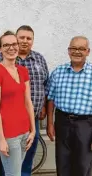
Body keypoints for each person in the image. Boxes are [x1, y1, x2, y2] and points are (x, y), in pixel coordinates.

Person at [0, 25, 49, 176]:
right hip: (9, 133)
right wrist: (1, 139)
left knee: (19, 170)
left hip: (25, 130)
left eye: (13, 44)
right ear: (0, 49)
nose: (11, 48)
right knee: (12, 173)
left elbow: (28, 101)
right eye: (6, 45)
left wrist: (33, 130)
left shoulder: (23, 71)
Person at [47, 36, 92, 176]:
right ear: (68, 51)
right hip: (62, 122)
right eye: (73, 48)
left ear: (88, 51)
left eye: (81, 49)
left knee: (83, 165)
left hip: (86, 124)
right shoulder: (58, 72)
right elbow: (50, 99)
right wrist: (49, 124)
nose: (77, 52)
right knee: (62, 162)